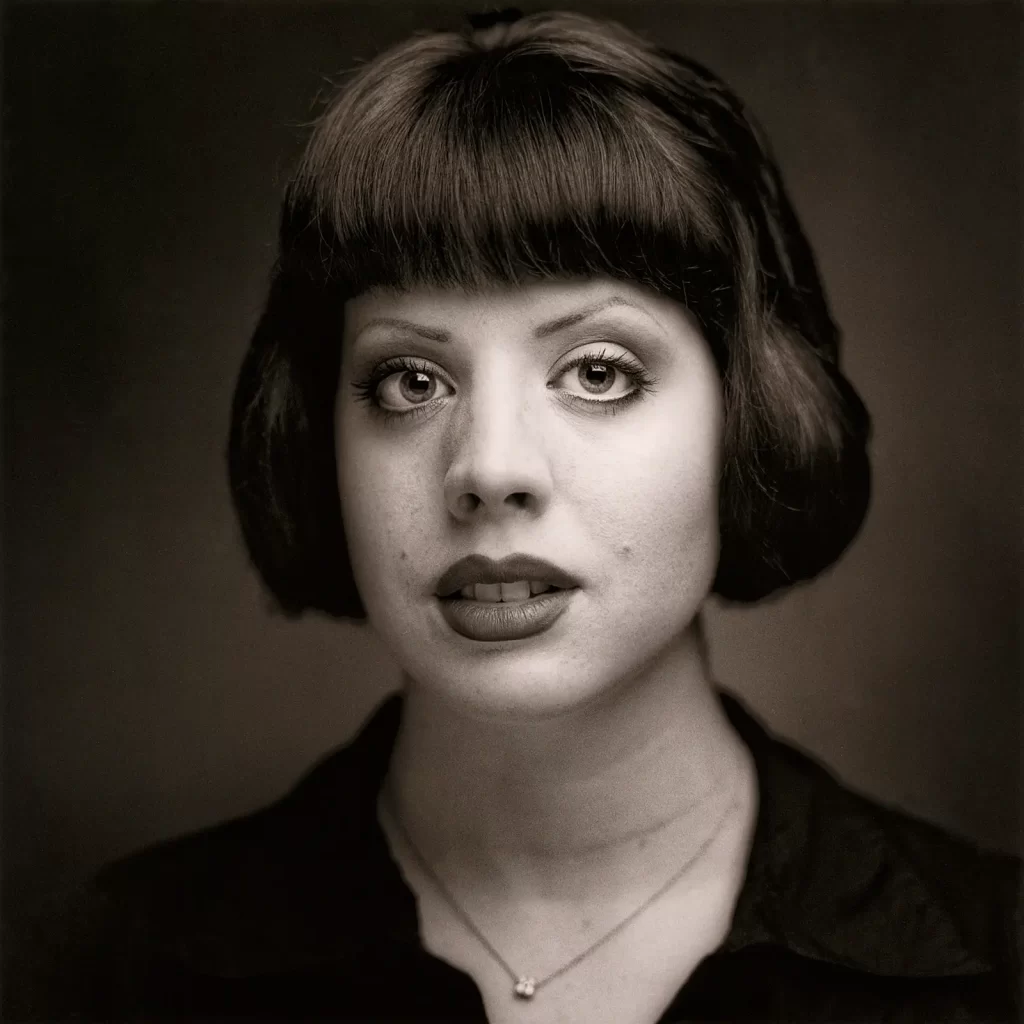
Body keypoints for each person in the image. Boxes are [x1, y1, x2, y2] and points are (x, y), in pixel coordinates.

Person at [7, 9, 1018, 1023]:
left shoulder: (995, 965)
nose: (488, 468)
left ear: (744, 415)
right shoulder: (100, 978)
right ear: (320, 443)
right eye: (410, 380)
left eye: (595, 371)